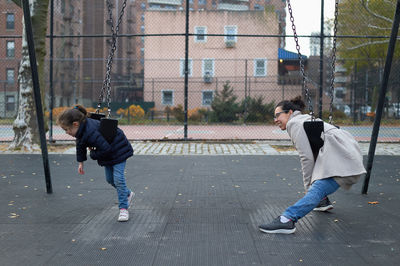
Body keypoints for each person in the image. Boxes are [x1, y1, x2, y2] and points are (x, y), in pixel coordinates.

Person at [259, 96, 366, 234]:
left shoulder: (294, 124)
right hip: (347, 155)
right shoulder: (303, 119)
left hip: (342, 158)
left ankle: (287, 220)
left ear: (290, 112)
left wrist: (308, 187)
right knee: (318, 188)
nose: (275, 120)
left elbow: (307, 158)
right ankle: (321, 200)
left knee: (315, 190)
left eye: (278, 115)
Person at [57, 105, 134, 222]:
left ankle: (123, 208)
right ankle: (127, 193)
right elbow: (80, 146)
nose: (67, 132)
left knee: (118, 179)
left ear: (75, 124)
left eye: (67, 129)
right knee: (110, 179)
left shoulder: (90, 132)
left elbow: (105, 149)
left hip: (118, 150)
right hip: (108, 153)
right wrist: (81, 162)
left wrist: (93, 154)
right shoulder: (80, 132)